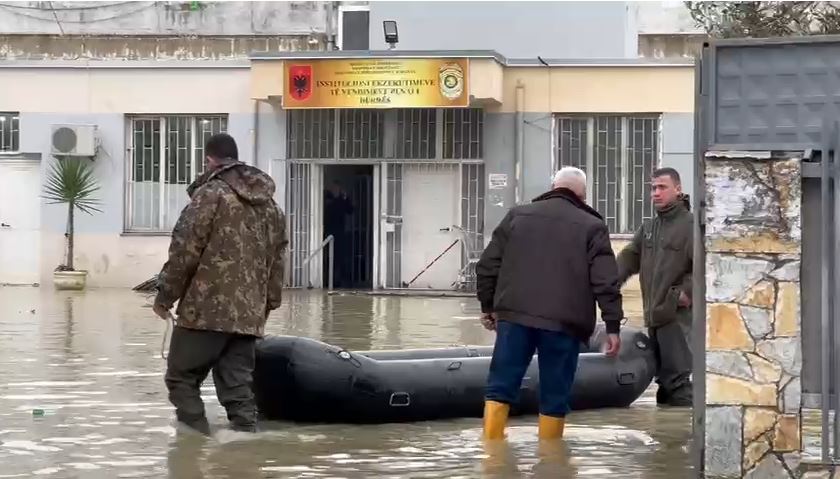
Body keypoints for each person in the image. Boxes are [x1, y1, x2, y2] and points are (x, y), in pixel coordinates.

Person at [152, 133, 288, 434]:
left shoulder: (210, 194)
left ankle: (194, 446)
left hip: (206, 310)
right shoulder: (272, 208)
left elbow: (186, 248)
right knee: (238, 389)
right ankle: (244, 450)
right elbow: (278, 263)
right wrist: (266, 306)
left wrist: (165, 295)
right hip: (248, 314)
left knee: (181, 378)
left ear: (210, 159)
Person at [476, 166, 624, 441]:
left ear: (553, 186)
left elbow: (486, 266)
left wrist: (489, 307)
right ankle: (551, 460)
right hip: (564, 324)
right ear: (583, 195)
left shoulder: (517, 216)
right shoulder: (592, 226)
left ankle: (492, 456)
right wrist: (612, 325)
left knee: (500, 386)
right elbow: (605, 282)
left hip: (515, 317)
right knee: (555, 393)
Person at [616, 167, 693, 407]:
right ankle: (666, 441)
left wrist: (684, 293)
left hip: (678, 317)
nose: (656, 193)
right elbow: (627, 259)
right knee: (664, 385)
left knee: (679, 384)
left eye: (662, 187)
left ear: (678, 190)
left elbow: (706, 267)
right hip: (654, 316)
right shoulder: (649, 228)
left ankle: (685, 439)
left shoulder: (691, 226)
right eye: (653, 188)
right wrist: (602, 284)